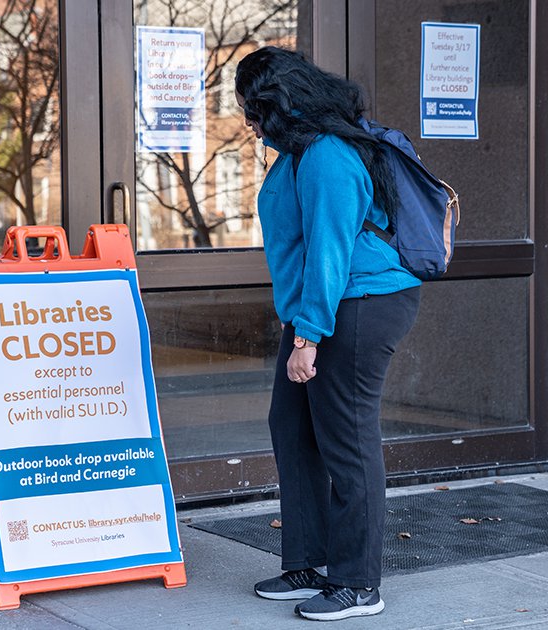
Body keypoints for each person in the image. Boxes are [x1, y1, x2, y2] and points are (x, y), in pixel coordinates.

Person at [234, 46, 422, 622]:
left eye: (251, 108)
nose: (247, 121)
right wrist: (303, 324)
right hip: (321, 307)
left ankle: (359, 584)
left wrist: (308, 336)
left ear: (278, 104)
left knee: (348, 438)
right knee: (293, 426)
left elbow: (330, 251)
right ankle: (310, 562)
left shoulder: (326, 156)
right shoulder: (296, 154)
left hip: (361, 304)